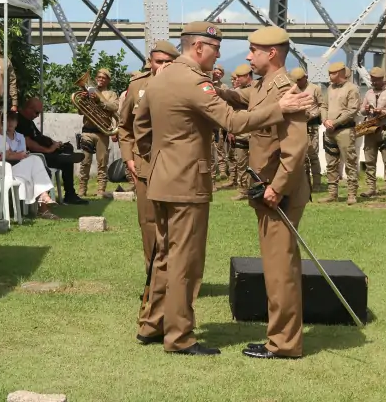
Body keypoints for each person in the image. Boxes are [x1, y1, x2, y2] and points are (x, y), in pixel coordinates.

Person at [132, 22, 312, 357]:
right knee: (185, 262)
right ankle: (179, 337)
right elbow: (233, 122)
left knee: (162, 258)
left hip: (159, 180)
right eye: (216, 48)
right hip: (188, 182)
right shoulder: (196, 82)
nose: (224, 56)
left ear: (270, 53)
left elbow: (140, 127)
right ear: (198, 47)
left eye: (251, 50)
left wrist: (154, 162)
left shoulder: (159, 78)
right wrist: (281, 108)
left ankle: (153, 324)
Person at [217, 27, 309, 359]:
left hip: (279, 194)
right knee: (275, 267)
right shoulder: (262, 87)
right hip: (266, 189)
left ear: (271, 54)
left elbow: (296, 149)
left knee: (280, 269)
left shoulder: (288, 91)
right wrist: (215, 90)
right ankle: (279, 337)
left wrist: (277, 188)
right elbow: (245, 100)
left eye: (253, 50)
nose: (247, 56)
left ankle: (284, 344)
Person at [118, 40, 179, 270]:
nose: (162, 66)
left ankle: (176, 276)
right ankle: (153, 277)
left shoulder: (185, 85)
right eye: (158, 61)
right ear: (150, 63)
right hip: (144, 164)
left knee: (177, 224)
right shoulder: (137, 87)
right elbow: (125, 126)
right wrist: (129, 159)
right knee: (149, 223)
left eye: (168, 62)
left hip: (176, 165)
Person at [0, 105, 58, 220]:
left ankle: (43, 197)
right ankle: (43, 199)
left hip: (8, 165)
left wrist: (16, 155)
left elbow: (8, 152)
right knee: (34, 161)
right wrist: (14, 155)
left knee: (34, 160)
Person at [16, 97, 88, 205]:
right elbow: (28, 143)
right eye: (36, 112)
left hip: (44, 152)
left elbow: (38, 136)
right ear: (29, 109)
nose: (37, 116)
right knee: (66, 160)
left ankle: (66, 156)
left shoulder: (29, 121)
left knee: (67, 149)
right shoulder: (20, 121)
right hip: (37, 155)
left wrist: (55, 144)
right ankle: (69, 193)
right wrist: (49, 149)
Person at [320, 62, 360, 204]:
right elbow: (323, 106)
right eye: (330, 73)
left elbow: (352, 111)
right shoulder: (330, 88)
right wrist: (325, 120)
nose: (330, 76)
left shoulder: (352, 89)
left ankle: (351, 194)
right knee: (331, 162)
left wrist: (335, 122)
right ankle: (332, 193)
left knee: (350, 161)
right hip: (329, 130)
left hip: (344, 130)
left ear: (341, 73)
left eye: (333, 73)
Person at [77, 68, 119, 198]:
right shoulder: (88, 92)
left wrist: (99, 101)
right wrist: (83, 100)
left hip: (102, 132)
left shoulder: (111, 94)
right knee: (85, 162)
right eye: (99, 77)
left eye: (104, 78)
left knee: (102, 163)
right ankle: (82, 190)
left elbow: (114, 107)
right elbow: (80, 111)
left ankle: (101, 190)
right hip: (87, 131)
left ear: (108, 80)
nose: (100, 79)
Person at [360, 67, 386, 199]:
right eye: (372, 80)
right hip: (370, 130)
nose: (374, 82)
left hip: (385, 129)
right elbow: (362, 110)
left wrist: (383, 112)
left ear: (382, 80)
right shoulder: (368, 93)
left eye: (376, 80)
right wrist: (366, 109)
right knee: (370, 160)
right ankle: (371, 188)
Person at [290, 66, 323, 193]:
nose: (298, 82)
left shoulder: (315, 89)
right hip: (298, 126)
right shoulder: (292, 90)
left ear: (305, 77)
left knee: (313, 155)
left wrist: (313, 114)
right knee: (299, 156)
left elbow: (322, 106)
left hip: (311, 126)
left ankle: (317, 183)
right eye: (296, 80)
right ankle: (302, 183)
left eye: (300, 79)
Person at [229, 64, 254, 201]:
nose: (237, 79)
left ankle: (257, 188)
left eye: (240, 77)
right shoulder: (236, 92)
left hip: (254, 132)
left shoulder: (257, 89)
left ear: (247, 76)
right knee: (241, 163)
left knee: (257, 163)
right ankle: (243, 190)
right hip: (240, 132)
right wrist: (231, 130)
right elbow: (231, 112)